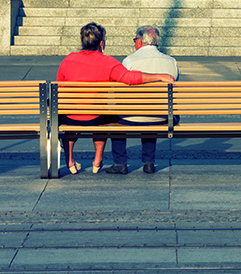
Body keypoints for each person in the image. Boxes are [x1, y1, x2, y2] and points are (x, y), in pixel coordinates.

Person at [57, 22, 175, 175]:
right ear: (102, 43)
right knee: (108, 116)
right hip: (96, 117)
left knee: (67, 117)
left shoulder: (68, 60)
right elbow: (130, 77)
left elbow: (60, 88)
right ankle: (97, 161)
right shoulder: (109, 62)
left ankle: (70, 160)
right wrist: (159, 76)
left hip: (70, 116)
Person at [106, 25, 179, 175]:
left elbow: (121, 88)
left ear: (139, 41)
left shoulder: (130, 61)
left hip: (132, 116)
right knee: (154, 110)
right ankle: (148, 162)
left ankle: (120, 163)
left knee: (114, 118)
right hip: (163, 116)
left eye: (134, 40)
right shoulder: (171, 62)